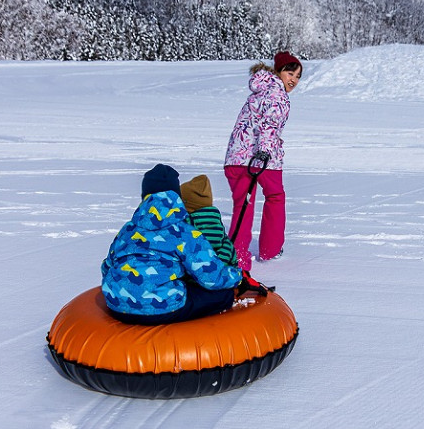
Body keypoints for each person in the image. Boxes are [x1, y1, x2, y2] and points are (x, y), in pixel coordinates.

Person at [101, 163, 242, 324]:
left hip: (117, 306)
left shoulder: (128, 230)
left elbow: (107, 267)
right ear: (177, 198)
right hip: (162, 309)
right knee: (223, 295)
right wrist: (237, 277)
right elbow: (211, 277)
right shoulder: (183, 232)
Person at [224, 51, 302, 270]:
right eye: (290, 72)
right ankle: (270, 249)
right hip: (261, 159)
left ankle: (237, 258)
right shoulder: (277, 94)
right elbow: (269, 126)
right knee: (275, 196)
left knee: (243, 206)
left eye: (297, 76)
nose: (293, 80)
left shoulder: (259, 90)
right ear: (278, 71)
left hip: (236, 158)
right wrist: (265, 152)